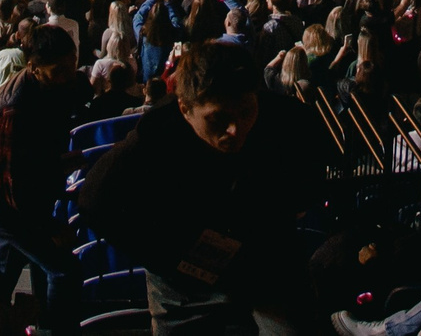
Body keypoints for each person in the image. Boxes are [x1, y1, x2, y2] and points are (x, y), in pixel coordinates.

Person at [83, 38, 329, 336]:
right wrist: (165, 256)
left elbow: (309, 179)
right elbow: (96, 200)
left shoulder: (290, 122)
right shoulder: (156, 138)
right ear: (185, 109)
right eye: (218, 118)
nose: (235, 129)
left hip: (265, 259)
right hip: (184, 279)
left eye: (246, 110)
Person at [0, 24, 86, 285]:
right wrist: (52, 229)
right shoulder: (13, 112)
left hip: (20, 192)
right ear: (33, 68)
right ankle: (55, 325)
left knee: (11, 264)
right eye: (59, 71)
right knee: (63, 268)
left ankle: (2, 314)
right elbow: (14, 190)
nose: (69, 75)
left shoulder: (51, 88)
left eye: (72, 65)